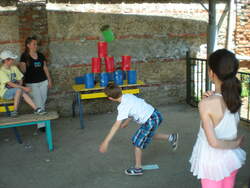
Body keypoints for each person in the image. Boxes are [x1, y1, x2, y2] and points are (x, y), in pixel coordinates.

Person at [189, 49, 246, 188]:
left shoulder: (206, 104)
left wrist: (236, 144)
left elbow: (213, 143)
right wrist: (234, 146)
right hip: (231, 158)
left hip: (212, 161)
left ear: (211, 73)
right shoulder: (234, 98)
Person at [99, 83, 178, 176]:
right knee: (147, 135)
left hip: (150, 120)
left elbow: (116, 126)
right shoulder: (128, 96)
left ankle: (138, 168)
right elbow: (134, 108)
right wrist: (127, 122)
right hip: (156, 114)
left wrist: (106, 141)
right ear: (120, 90)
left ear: (110, 98)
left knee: (137, 142)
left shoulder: (122, 107)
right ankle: (171, 137)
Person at [0, 50, 46, 117]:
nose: (13, 60)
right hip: (5, 93)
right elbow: (10, 84)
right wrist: (23, 88)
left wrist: (20, 86)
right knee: (19, 90)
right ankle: (15, 111)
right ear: (6, 60)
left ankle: (36, 109)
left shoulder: (14, 67)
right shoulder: (1, 71)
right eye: (12, 59)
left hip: (16, 91)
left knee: (21, 92)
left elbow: (20, 79)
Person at [19, 36, 52, 130]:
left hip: (43, 81)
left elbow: (45, 68)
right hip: (31, 83)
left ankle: (39, 117)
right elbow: (23, 70)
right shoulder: (24, 56)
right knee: (38, 101)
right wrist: (22, 67)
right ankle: (42, 125)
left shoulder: (40, 55)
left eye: (36, 44)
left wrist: (49, 80)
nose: (35, 46)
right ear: (28, 45)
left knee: (43, 100)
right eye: (34, 44)